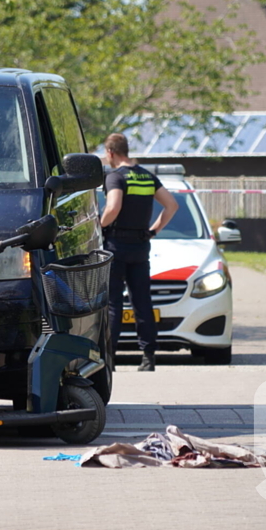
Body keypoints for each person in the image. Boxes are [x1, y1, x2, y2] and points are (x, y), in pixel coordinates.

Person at [100, 133, 178, 371]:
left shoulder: (115, 177)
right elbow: (171, 205)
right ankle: (148, 357)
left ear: (111, 153)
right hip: (141, 248)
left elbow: (113, 207)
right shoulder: (147, 176)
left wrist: (99, 225)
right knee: (142, 302)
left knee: (113, 304)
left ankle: (110, 359)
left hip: (115, 247)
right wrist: (153, 231)